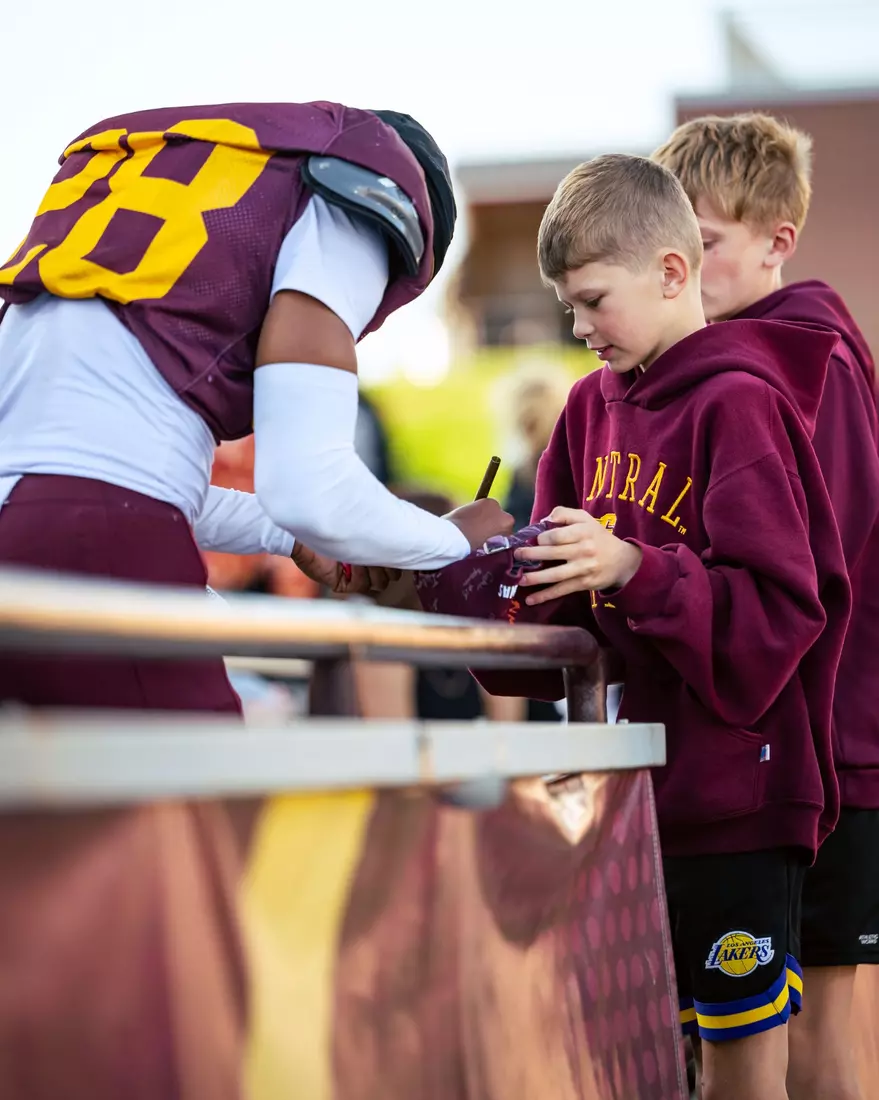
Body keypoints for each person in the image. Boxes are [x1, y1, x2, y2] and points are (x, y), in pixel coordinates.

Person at [419, 154, 850, 1100]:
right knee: (640, 1064)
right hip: (618, 801)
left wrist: (634, 567)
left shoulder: (742, 403)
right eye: (565, 305)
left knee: (741, 1074)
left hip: (737, 804)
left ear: (669, 271)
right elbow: (554, 619)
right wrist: (445, 575)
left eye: (592, 301)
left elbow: (783, 617)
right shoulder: (582, 410)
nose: (577, 330)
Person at [0, 101, 512, 711]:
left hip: (26, 534)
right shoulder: (355, 193)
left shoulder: (151, 189)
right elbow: (307, 487)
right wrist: (452, 541)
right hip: (104, 541)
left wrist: (292, 538)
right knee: (202, 799)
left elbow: (90, 473)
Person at [653, 112, 879, 1100]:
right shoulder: (704, 363)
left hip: (832, 748)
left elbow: (803, 576)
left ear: (777, 241)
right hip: (763, 751)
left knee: (829, 1042)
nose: (684, 270)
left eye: (706, 245)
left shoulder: (806, 364)